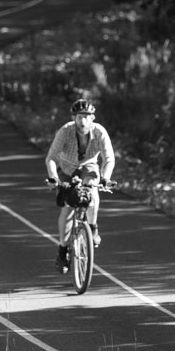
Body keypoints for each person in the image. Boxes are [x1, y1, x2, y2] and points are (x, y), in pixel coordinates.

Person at [45, 98, 115, 274]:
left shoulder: (99, 132)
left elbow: (109, 158)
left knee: (92, 189)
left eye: (86, 117)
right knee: (68, 208)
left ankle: (92, 227)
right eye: (79, 117)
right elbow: (51, 157)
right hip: (66, 168)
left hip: (88, 167)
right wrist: (53, 178)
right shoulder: (65, 131)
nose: (82, 121)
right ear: (74, 118)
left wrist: (105, 178)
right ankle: (63, 250)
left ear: (92, 118)